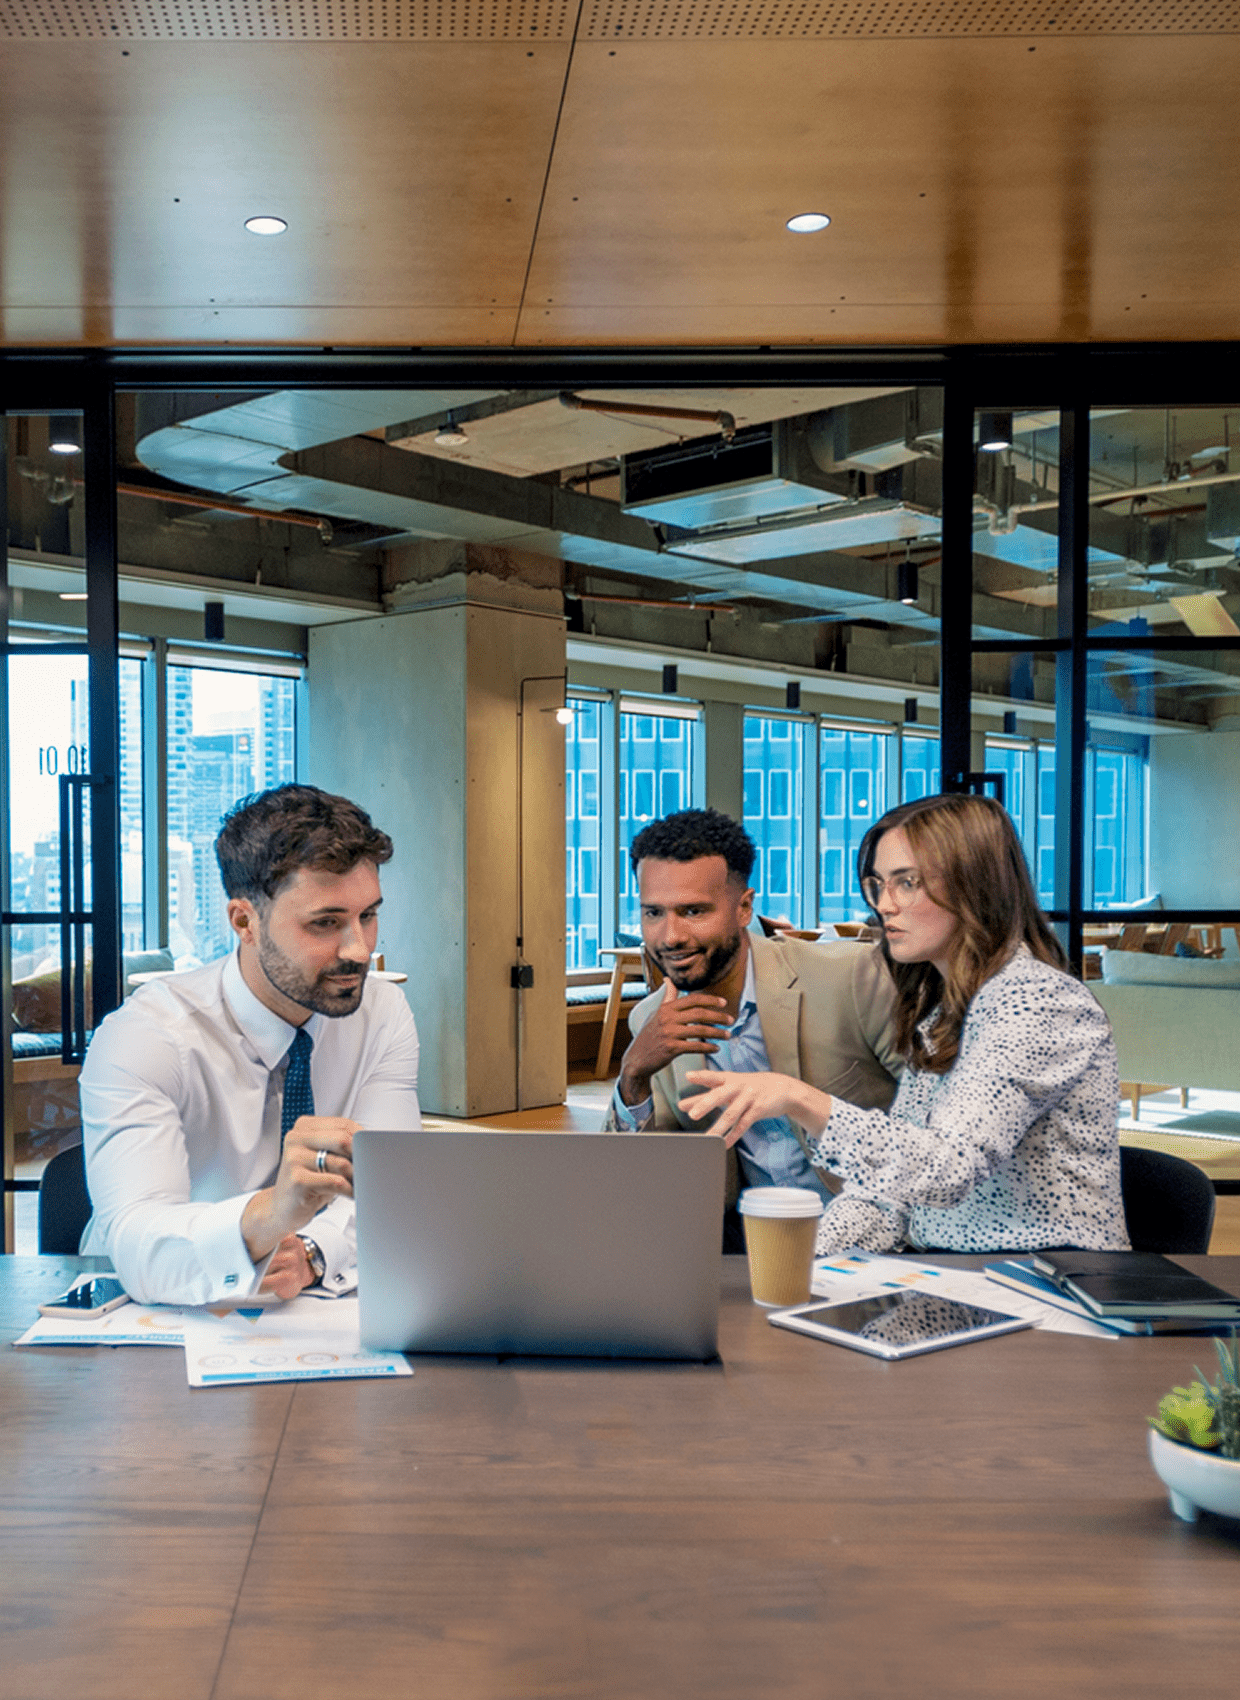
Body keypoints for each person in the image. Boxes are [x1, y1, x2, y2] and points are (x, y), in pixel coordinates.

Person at [679, 793, 1129, 1256]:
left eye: (907, 883)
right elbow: (890, 1194)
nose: (884, 904)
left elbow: (949, 1168)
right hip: (962, 1276)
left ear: (975, 886)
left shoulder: (1038, 1002)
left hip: (1052, 1277)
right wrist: (801, 1262)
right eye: (878, 884)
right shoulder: (942, 1012)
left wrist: (801, 1099)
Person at [79, 784, 421, 1306]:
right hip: (156, 1313)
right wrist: (269, 1216)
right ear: (244, 921)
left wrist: (311, 1250)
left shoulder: (383, 1015)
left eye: (368, 916)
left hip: (310, 1306)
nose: (359, 949)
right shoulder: (146, 1037)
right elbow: (136, 1241)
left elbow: (391, 1195)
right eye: (326, 923)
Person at [604, 808, 902, 1232]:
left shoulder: (850, 976)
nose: (670, 936)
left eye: (693, 912)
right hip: (754, 1243)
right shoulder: (652, 1021)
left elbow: (942, 1125)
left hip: (887, 1231)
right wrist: (633, 1075)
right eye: (653, 913)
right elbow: (636, 1180)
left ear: (744, 908)